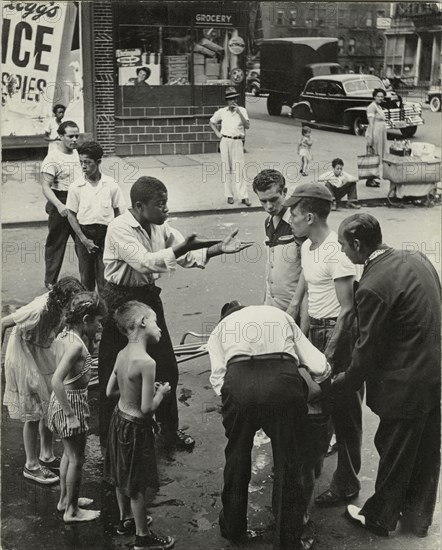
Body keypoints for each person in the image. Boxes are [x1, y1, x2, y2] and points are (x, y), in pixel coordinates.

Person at [98, 176, 252, 450]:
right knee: (114, 368)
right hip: (119, 301)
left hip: (146, 298)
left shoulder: (160, 227)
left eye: (167, 203)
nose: (166, 209)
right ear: (139, 205)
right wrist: (182, 247)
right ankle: (111, 441)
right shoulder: (119, 228)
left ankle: (168, 431)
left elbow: (186, 255)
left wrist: (217, 249)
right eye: (161, 204)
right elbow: (145, 263)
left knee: (167, 366)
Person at [335, 214, 441, 538]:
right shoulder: (416, 257)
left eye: (343, 245)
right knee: (425, 448)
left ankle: (380, 518)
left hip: (404, 383)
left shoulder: (371, 286)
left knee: (394, 448)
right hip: (433, 372)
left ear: (357, 244)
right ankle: (418, 519)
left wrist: (345, 383)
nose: (342, 252)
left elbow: (367, 349)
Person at [207, 301, 331, 550]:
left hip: (239, 382)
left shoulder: (219, 331)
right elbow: (318, 365)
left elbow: (218, 379)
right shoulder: (277, 314)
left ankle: (233, 526)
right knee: (288, 463)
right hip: (282, 382)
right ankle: (288, 539)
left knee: (237, 456)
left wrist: (240, 399)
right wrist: (317, 380)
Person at [285, 184, 363, 508]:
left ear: (311, 216)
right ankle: (320, 453)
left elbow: (347, 310)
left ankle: (347, 484)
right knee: (317, 403)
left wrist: (327, 356)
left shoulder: (336, 251)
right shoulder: (308, 245)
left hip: (338, 336)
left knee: (346, 413)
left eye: (294, 212)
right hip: (316, 330)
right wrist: (299, 331)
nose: (289, 218)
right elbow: (308, 281)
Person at [104, 301, 175, 550]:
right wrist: (161, 393)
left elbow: (110, 390)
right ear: (143, 323)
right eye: (155, 322)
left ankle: (125, 520)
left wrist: (131, 392)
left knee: (120, 475)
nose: (159, 328)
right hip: (136, 428)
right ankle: (142, 536)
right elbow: (147, 409)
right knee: (138, 483)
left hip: (119, 418)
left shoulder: (122, 353)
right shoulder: (147, 363)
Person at [2, 276, 84, 485]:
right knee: (32, 411)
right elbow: (3, 322)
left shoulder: (62, 308)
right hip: (24, 352)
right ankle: (31, 465)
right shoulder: (38, 310)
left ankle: (46, 455)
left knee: (47, 404)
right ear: (61, 299)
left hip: (44, 349)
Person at [48, 291, 106, 523]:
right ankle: (72, 511)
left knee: (69, 456)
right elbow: (56, 380)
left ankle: (65, 499)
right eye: (98, 322)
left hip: (62, 401)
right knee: (77, 460)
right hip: (70, 402)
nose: (100, 327)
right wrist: (70, 414)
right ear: (85, 320)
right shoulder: (75, 346)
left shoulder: (65, 335)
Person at [66, 141, 125, 295]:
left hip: (106, 236)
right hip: (84, 235)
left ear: (98, 162)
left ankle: (105, 316)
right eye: (81, 162)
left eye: (87, 162)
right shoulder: (76, 187)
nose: (84, 166)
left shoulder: (110, 184)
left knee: (105, 280)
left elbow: (120, 212)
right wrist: (83, 239)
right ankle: (89, 314)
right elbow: (71, 215)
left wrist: (114, 236)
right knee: (86, 281)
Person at [252, 169, 308, 330]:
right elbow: (271, 264)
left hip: (294, 309)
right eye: (263, 201)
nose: (269, 206)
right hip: (273, 308)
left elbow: (309, 269)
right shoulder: (268, 223)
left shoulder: (297, 223)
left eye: (274, 199)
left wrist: (296, 305)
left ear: (284, 192)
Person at [41, 120, 82, 290]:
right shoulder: (52, 159)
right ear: (60, 136)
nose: (74, 140)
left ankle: (88, 278)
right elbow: (45, 186)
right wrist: (58, 205)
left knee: (84, 241)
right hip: (61, 201)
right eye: (70, 136)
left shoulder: (78, 154)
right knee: (56, 243)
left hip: (78, 201)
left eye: (76, 136)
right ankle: (50, 281)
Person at [209, 87, 251, 206]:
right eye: (230, 99)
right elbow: (211, 122)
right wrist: (218, 133)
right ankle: (229, 195)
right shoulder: (222, 112)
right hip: (225, 140)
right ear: (226, 101)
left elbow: (247, 125)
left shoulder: (242, 110)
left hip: (237, 141)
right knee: (226, 169)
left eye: (234, 98)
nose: (232, 101)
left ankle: (243, 196)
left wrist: (239, 112)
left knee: (239, 168)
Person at [365, 88, 387, 187]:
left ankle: (373, 178)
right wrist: (370, 137)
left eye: (382, 96)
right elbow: (371, 123)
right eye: (378, 96)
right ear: (374, 96)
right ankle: (370, 180)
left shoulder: (379, 107)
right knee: (372, 156)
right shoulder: (372, 107)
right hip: (375, 133)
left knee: (377, 156)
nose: (380, 98)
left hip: (380, 133)